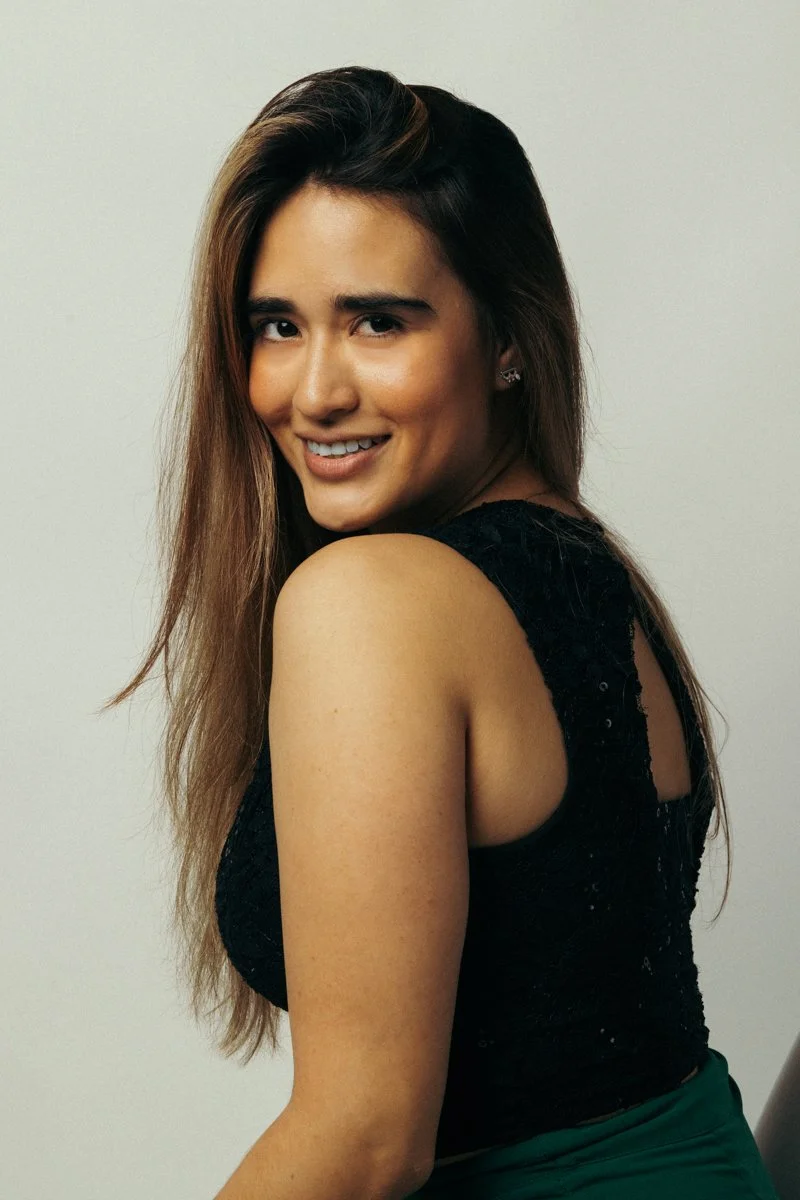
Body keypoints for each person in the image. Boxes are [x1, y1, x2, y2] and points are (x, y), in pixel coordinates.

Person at [105, 66, 780, 1198]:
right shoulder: (587, 573)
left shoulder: (373, 600)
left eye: (378, 321)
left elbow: (363, 1145)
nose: (312, 390)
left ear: (507, 337)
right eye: (276, 326)